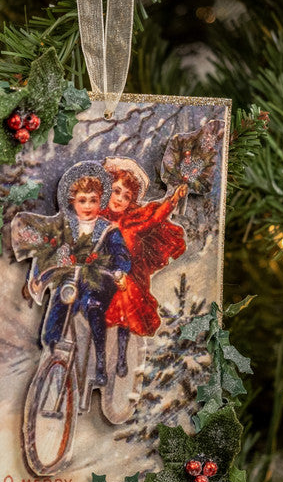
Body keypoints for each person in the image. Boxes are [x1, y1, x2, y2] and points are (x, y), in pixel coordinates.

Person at [12, 161, 130, 388]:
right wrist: (37, 278)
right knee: (61, 300)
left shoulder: (107, 229)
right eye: (82, 200)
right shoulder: (64, 226)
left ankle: (100, 364)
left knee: (94, 308)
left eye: (93, 200)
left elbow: (120, 253)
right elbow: (47, 251)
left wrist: (119, 271)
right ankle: (52, 347)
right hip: (70, 279)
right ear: (72, 202)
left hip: (98, 281)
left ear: (101, 201)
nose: (88, 206)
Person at [100, 157, 188, 378]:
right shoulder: (97, 216)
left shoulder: (133, 222)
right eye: (116, 191)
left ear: (132, 201)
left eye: (126, 196)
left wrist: (173, 200)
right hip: (97, 271)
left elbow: (155, 216)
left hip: (127, 275)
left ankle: (121, 355)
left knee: (125, 299)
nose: (119, 199)